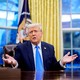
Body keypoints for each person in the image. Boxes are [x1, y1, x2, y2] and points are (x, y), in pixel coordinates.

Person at [3, 23, 78, 71]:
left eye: (35, 31)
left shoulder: (49, 48)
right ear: (28, 35)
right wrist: (14, 62)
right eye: (31, 32)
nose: (33, 34)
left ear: (41, 33)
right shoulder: (21, 48)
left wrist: (62, 62)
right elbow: (18, 66)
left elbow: (53, 68)